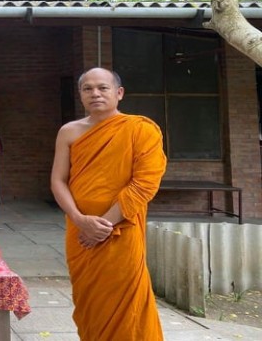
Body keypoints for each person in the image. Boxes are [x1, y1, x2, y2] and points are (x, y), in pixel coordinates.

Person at [50, 67, 167, 340]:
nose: (95, 94)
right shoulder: (69, 132)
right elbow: (58, 181)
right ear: (80, 95)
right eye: (87, 89)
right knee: (90, 300)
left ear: (119, 93)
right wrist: (80, 220)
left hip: (121, 230)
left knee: (125, 301)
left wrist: (103, 225)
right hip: (80, 232)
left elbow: (145, 183)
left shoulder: (140, 129)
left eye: (103, 87)